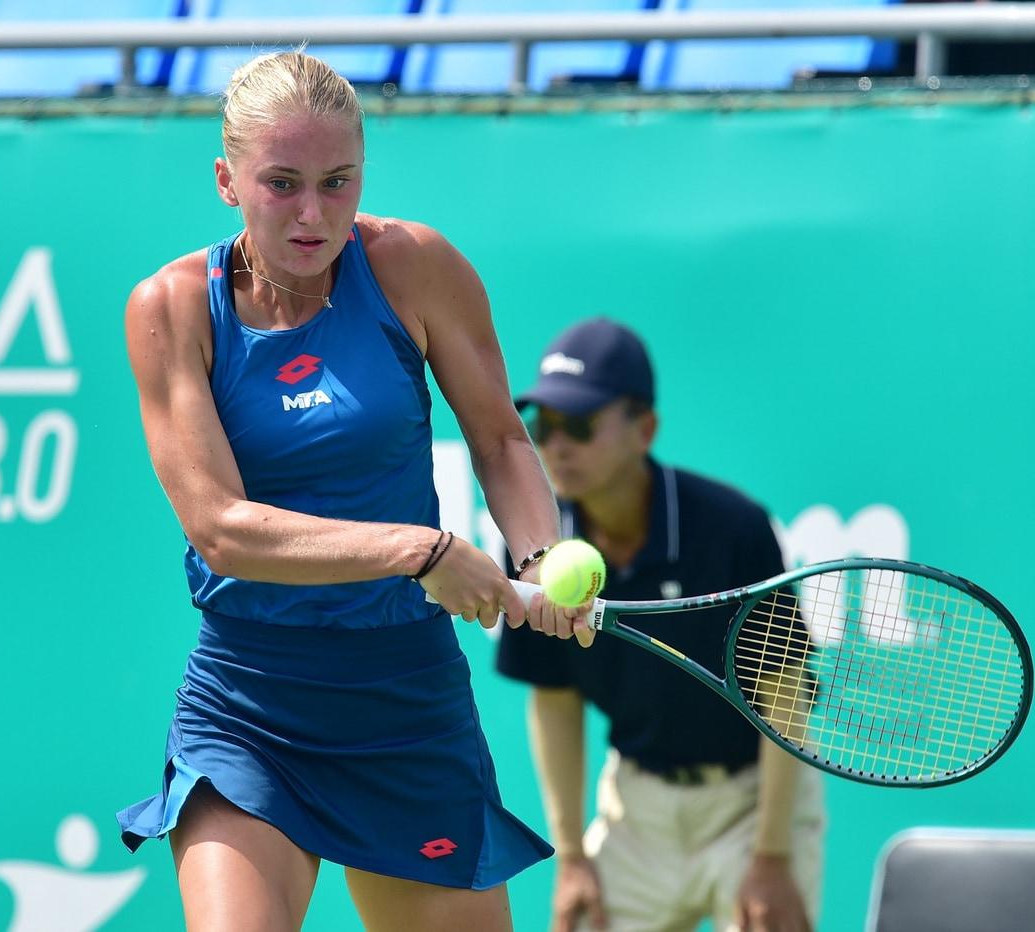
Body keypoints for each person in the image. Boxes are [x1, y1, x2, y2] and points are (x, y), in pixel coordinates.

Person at [114, 51, 595, 932]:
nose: (312, 213)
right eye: (282, 183)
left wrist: (541, 553)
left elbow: (498, 435)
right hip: (251, 702)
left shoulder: (415, 265)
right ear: (227, 181)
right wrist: (421, 551)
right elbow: (222, 530)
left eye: (337, 182)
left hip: (405, 700)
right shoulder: (172, 308)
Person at [495, 318, 825, 932]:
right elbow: (556, 703)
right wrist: (571, 859)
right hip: (637, 810)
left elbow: (784, 696)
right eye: (545, 426)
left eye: (582, 423)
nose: (558, 444)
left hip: (753, 807)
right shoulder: (536, 549)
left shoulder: (732, 529)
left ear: (644, 429)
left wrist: (772, 856)